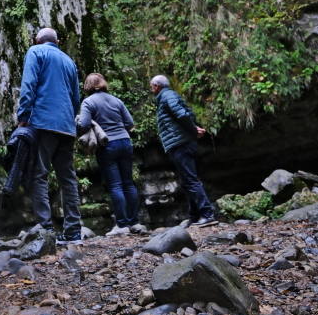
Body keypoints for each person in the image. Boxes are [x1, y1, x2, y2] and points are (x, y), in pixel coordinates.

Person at [17, 27, 83, 244]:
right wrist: (70, 119)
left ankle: (46, 230)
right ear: (57, 41)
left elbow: (29, 85)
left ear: (37, 39)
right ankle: (73, 232)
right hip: (66, 126)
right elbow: (76, 97)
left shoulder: (36, 52)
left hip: (44, 122)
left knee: (40, 174)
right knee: (68, 178)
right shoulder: (69, 61)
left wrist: (24, 115)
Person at [149, 74, 218, 225]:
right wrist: (194, 129)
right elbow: (185, 113)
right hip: (180, 143)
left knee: (191, 179)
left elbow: (181, 114)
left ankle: (207, 214)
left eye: (152, 86)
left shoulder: (167, 96)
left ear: (157, 86)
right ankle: (195, 215)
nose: (151, 89)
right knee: (187, 180)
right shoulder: (165, 97)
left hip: (181, 144)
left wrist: (193, 129)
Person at [78, 73, 142, 235]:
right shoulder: (116, 100)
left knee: (115, 185)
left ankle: (121, 225)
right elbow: (129, 123)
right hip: (125, 142)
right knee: (128, 183)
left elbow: (84, 124)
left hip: (108, 145)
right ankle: (134, 222)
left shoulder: (88, 102)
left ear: (88, 86)